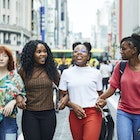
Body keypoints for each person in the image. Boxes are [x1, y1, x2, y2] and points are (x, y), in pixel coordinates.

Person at [96, 33, 140, 140]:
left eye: (124, 49)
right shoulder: (120, 66)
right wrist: (100, 98)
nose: (121, 51)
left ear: (134, 50)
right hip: (124, 112)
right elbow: (112, 88)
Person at [16, 40, 60, 140]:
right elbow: (16, 88)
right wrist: (19, 97)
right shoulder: (23, 71)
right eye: (39, 52)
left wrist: (64, 100)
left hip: (48, 114)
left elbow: (63, 87)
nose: (43, 54)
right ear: (32, 54)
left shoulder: (51, 70)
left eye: (45, 51)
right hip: (30, 114)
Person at [58, 42, 103, 140]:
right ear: (73, 55)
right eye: (76, 51)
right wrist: (73, 105)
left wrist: (101, 102)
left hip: (93, 113)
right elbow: (61, 97)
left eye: (83, 51)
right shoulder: (66, 73)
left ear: (88, 56)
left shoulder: (96, 73)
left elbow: (100, 95)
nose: (79, 53)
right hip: (74, 114)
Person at [0, 46, 26, 140]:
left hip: (9, 119)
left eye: (5, 56)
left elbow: (23, 95)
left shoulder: (15, 77)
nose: (1, 58)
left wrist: (13, 102)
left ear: (9, 59)